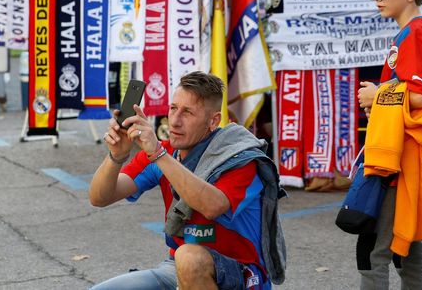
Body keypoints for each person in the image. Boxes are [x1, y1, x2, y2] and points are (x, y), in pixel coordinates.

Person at [89, 71, 285, 290]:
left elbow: (212, 206)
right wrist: (117, 156)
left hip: (240, 274)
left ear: (213, 121)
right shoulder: (164, 153)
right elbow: (99, 198)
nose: (174, 120)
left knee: (189, 257)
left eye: (188, 113)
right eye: (173, 108)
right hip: (176, 269)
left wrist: (158, 154)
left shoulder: (240, 157)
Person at [356, 0, 422, 289]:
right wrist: (381, 95)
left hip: (401, 154)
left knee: (374, 247)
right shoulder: (411, 32)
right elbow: (412, 91)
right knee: (404, 241)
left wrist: (376, 95)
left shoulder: (417, 32)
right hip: (400, 148)